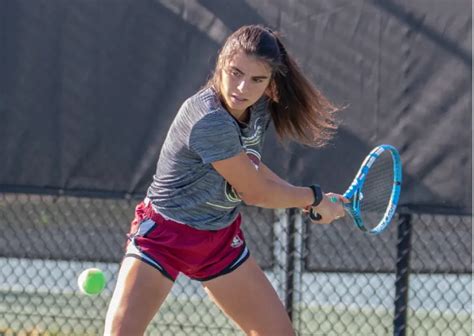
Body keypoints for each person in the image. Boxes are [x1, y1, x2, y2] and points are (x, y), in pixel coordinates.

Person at [104, 24, 346, 336]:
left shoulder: (256, 108)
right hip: (165, 236)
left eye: (257, 79)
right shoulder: (209, 119)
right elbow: (255, 191)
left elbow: (249, 168)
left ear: (271, 85)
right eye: (235, 73)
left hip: (219, 240)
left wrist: (313, 199)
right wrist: (313, 198)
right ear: (221, 64)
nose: (242, 87)